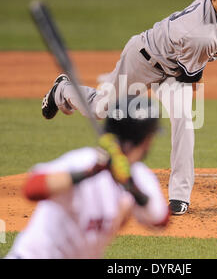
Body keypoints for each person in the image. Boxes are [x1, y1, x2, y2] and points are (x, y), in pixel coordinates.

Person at [41, 0, 217, 215]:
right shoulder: (202, 38)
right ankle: (63, 90)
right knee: (101, 109)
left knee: (184, 118)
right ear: (214, 0)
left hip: (171, 69)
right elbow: (191, 79)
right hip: (141, 61)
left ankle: (179, 196)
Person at [6, 96, 169, 259]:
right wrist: (89, 172)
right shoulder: (83, 161)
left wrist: (131, 186)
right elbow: (31, 188)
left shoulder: (138, 176)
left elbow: (160, 219)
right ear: (146, 140)